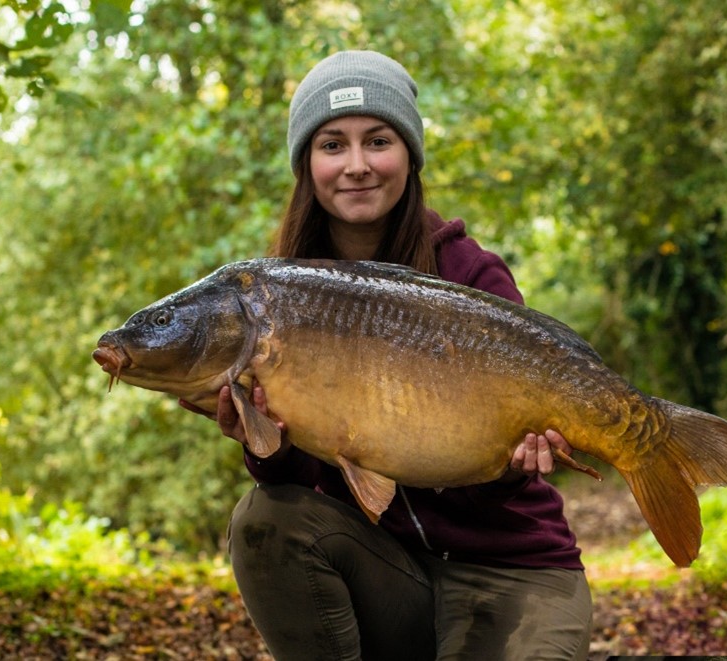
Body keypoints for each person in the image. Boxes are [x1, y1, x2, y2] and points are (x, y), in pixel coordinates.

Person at [181, 50, 593, 661]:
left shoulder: (469, 272)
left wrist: (512, 465)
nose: (356, 166)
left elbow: (495, 487)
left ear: (408, 154)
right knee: (265, 519)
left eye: (377, 140)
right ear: (306, 165)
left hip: (512, 571)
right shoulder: (276, 298)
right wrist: (264, 439)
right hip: (388, 571)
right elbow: (307, 487)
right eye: (331, 145)